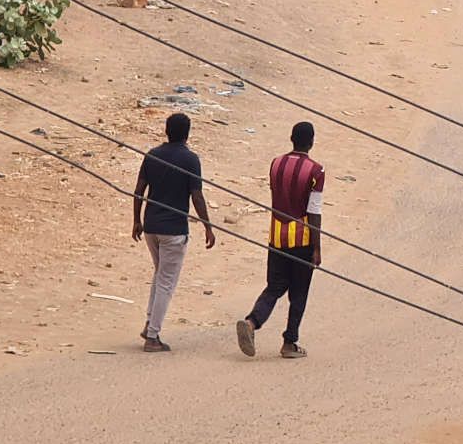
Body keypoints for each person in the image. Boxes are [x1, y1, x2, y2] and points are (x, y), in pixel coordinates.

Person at [236, 121, 324, 359]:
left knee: (275, 287)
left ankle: (252, 322)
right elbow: (313, 211)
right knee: (299, 293)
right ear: (312, 141)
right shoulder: (316, 171)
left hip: (276, 235)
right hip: (301, 239)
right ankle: (290, 342)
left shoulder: (276, 164)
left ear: (291, 138)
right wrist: (317, 247)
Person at [132, 112, 215, 352]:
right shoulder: (191, 160)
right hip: (174, 230)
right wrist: (208, 226)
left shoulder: (152, 155)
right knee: (166, 281)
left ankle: (150, 323)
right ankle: (152, 336)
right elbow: (196, 196)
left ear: (166, 131)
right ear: (188, 134)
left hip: (151, 227)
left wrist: (136, 220)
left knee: (159, 276)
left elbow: (139, 191)